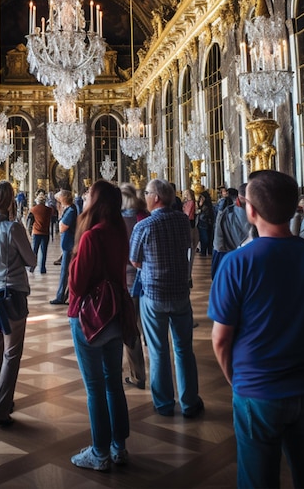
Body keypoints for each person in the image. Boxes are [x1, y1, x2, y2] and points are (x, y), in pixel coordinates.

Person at [208, 170, 304, 488]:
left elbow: (221, 339)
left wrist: (236, 379)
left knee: (258, 481)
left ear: (250, 210)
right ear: (295, 207)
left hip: (257, 388)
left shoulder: (236, 263)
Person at [68, 179, 131, 472]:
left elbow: (79, 284)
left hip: (90, 318)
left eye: (88, 194)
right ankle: (119, 447)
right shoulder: (120, 232)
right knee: (114, 384)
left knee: (95, 388)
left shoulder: (92, 236)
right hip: (115, 314)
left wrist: (73, 261)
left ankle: (100, 452)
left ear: (98, 202)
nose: (84, 197)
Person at [129, 179, 204, 418]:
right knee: (183, 349)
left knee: (159, 350)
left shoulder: (144, 226)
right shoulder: (183, 221)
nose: (145, 196)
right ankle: (190, 402)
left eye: (148, 193)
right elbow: (189, 246)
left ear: (157, 198)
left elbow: (135, 260)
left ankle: (163, 403)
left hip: (154, 294)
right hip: (181, 292)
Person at [0, 181, 37, 426]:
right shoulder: (13, 228)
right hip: (10, 294)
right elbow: (31, 259)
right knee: (12, 352)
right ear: (11, 199)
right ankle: (1, 408)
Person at [120, 182, 147, 390]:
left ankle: (137, 374)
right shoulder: (145, 217)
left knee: (128, 329)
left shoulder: (118, 221)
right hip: (147, 279)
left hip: (125, 280)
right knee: (139, 326)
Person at [211, 185, 253, 279]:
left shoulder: (229, 210)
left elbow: (219, 232)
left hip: (231, 253)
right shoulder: (231, 210)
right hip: (243, 253)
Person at [50, 190, 77, 304]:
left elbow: (62, 228)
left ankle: (62, 296)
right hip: (67, 244)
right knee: (66, 271)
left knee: (65, 272)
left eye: (59, 200)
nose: (58, 203)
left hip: (69, 245)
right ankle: (65, 296)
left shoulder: (70, 210)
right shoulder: (68, 210)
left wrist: (61, 220)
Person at [27, 192, 53, 273]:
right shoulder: (49, 210)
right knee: (44, 251)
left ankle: (32, 267)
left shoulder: (33, 209)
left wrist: (29, 231)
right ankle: (42, 268)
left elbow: (30, 221)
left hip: (36, 232)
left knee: (34, 251)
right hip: (45, 233)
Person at [182, 188, 199, 284]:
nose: (185, 195)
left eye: (186, 193)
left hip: (190, 225)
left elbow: (188, 214)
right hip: (187, 224)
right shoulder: (185, 202)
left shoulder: (191, 202)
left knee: (190, 251)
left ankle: (188, 276)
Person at [196, 190, 215, 256]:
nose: (201, 199)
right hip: (202, 223)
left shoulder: (209, 206)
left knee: (209, 238)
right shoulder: (200, 205)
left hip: (208, 223)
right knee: (204, 239)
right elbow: (198, 212)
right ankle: (203, 252)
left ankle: (209, 251)